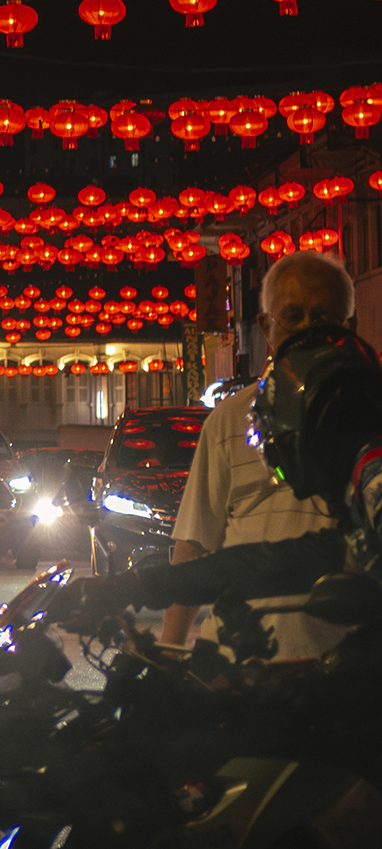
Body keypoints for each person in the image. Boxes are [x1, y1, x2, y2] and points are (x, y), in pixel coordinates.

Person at [161, 249, 356, 658]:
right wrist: (169, 645)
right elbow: (195, 543)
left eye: (322, 318)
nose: (306, 330)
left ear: (346, 326)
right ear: (266, 326)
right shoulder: (229, 420)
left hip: (349, 677)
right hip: (239, 667)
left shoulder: (369, 411)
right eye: (293, 315)